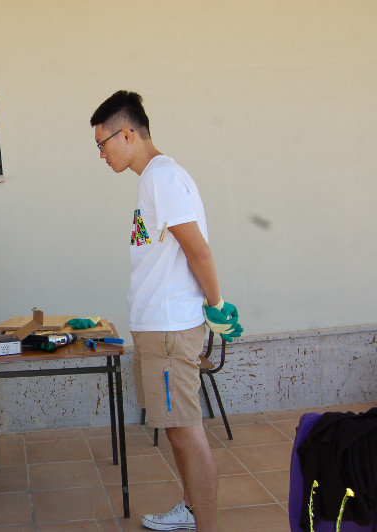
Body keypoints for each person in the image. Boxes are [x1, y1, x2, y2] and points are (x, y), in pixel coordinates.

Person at [89, 91, 243, 532]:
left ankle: (205, 524)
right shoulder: (152, 180)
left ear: (127, 133)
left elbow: (199, 251)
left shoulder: (163, 178)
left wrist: (216, 306)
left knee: (187, 433)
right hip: (157, 328)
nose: (101, 154)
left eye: (103, 143)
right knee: (175, 430)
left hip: (171, 328)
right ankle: (192, 509)